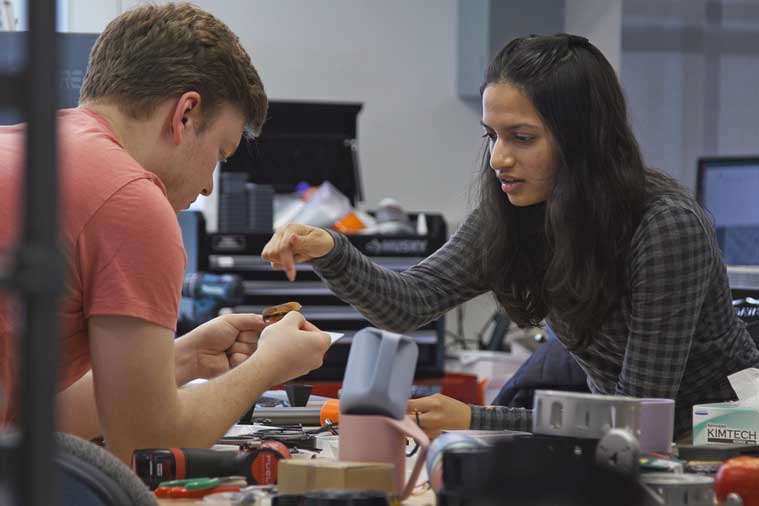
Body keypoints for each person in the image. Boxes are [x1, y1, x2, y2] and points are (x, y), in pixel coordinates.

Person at [262, 33, 759, 440]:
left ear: (583, 141)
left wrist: (476, 418)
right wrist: (331, 250)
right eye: (492, 136)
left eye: (522, 138)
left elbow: (644, 418)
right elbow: (409, 303)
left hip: (718, 441)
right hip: (628, 440)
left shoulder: (665, 227)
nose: (500, 158)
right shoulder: (518, 211)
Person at [0, 3, 331, 464]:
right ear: (186, 115)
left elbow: (29, 419)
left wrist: (182, 360)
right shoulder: (130, 199)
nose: (208, 185)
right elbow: (146, 446)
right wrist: (270, 365)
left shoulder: (22, 144)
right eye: (220, 151)